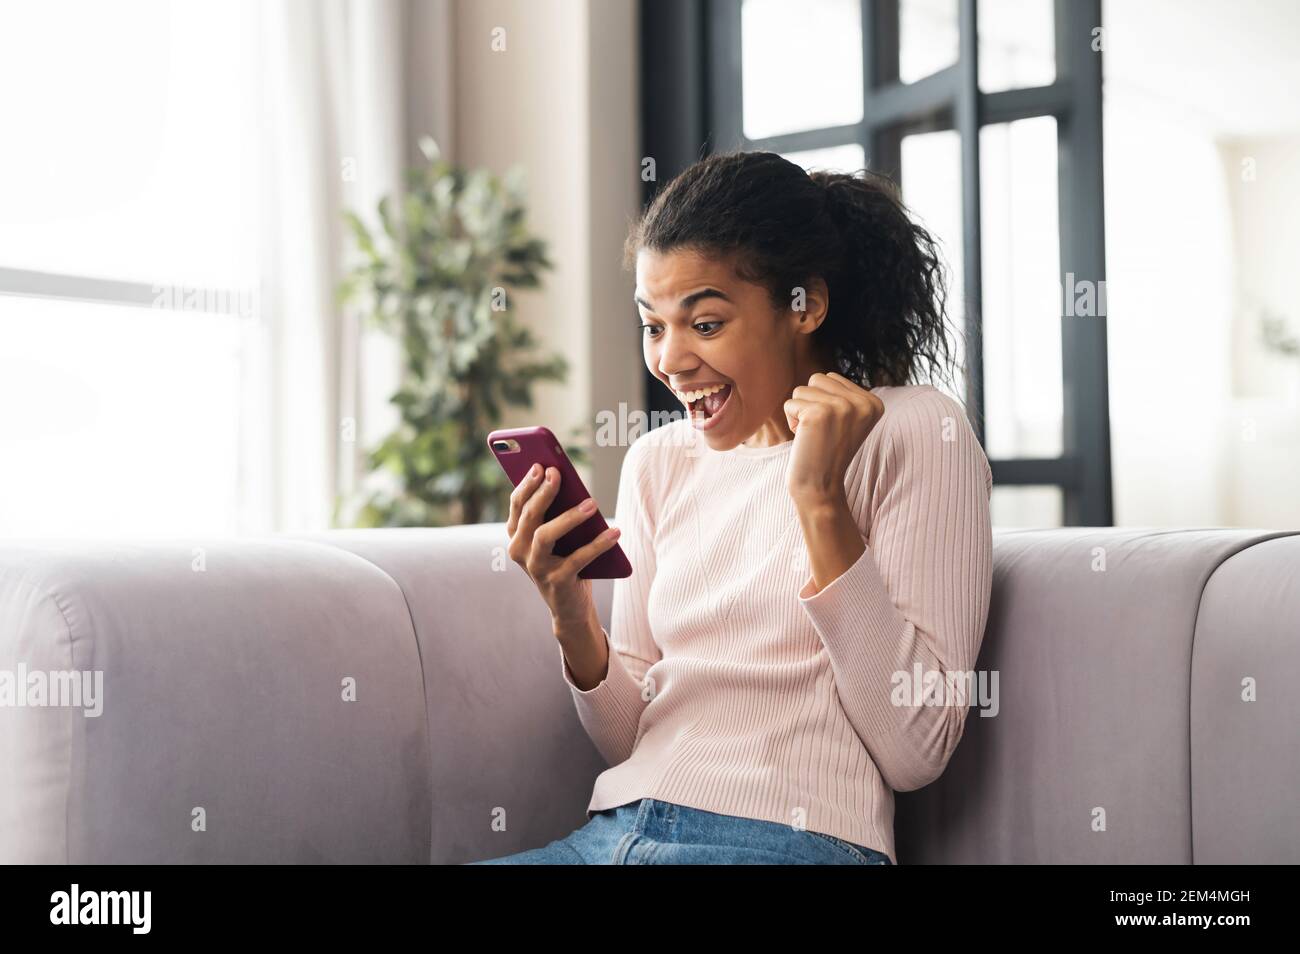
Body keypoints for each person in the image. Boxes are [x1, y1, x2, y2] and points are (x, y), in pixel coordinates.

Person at [467, 150, 993, 865]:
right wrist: (570, 615)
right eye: (654, 326)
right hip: (611, 835)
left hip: (790, 840)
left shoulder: (912, 430)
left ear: (805, 306)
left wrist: (818, 501)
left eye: (705, 324)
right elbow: (632, 739)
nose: (670, 360)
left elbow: (918, 745)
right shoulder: (659, 461)